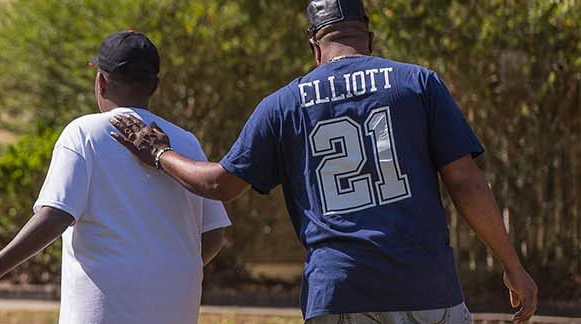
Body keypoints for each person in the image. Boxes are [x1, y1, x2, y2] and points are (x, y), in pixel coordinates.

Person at [108, 0, 539, 322]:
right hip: (427, 286)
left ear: (315, 46)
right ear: (368, 38)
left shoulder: (283, 105)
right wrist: (513, 267)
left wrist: (158, 152)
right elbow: (466, 182)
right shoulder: (417, 83)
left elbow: (219, 184)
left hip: (338, 292)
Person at [0, 31, 231, 324]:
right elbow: (213, 236)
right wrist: (163, 273)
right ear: (155, 86)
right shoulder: (185, 144)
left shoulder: (84, 134)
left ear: (101, 83)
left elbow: (55, 216)